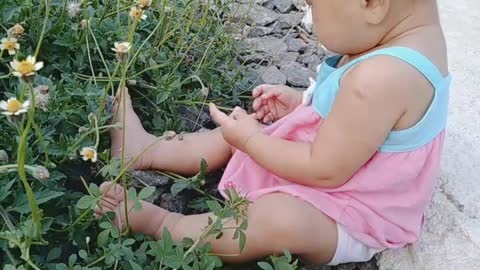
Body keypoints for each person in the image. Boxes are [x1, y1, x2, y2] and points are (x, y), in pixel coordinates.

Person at [96, 0, 450, 265]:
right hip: (349, 162)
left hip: (356, 210)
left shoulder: (380, 78)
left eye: (314, 5)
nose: (310, 17)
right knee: (253, 135)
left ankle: (165, 225)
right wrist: (303, 107)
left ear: (372, 4)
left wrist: (252, 140)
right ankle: (146, 150)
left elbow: (324, 169)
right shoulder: (410, 38)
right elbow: (368, 123)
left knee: (281, 220)